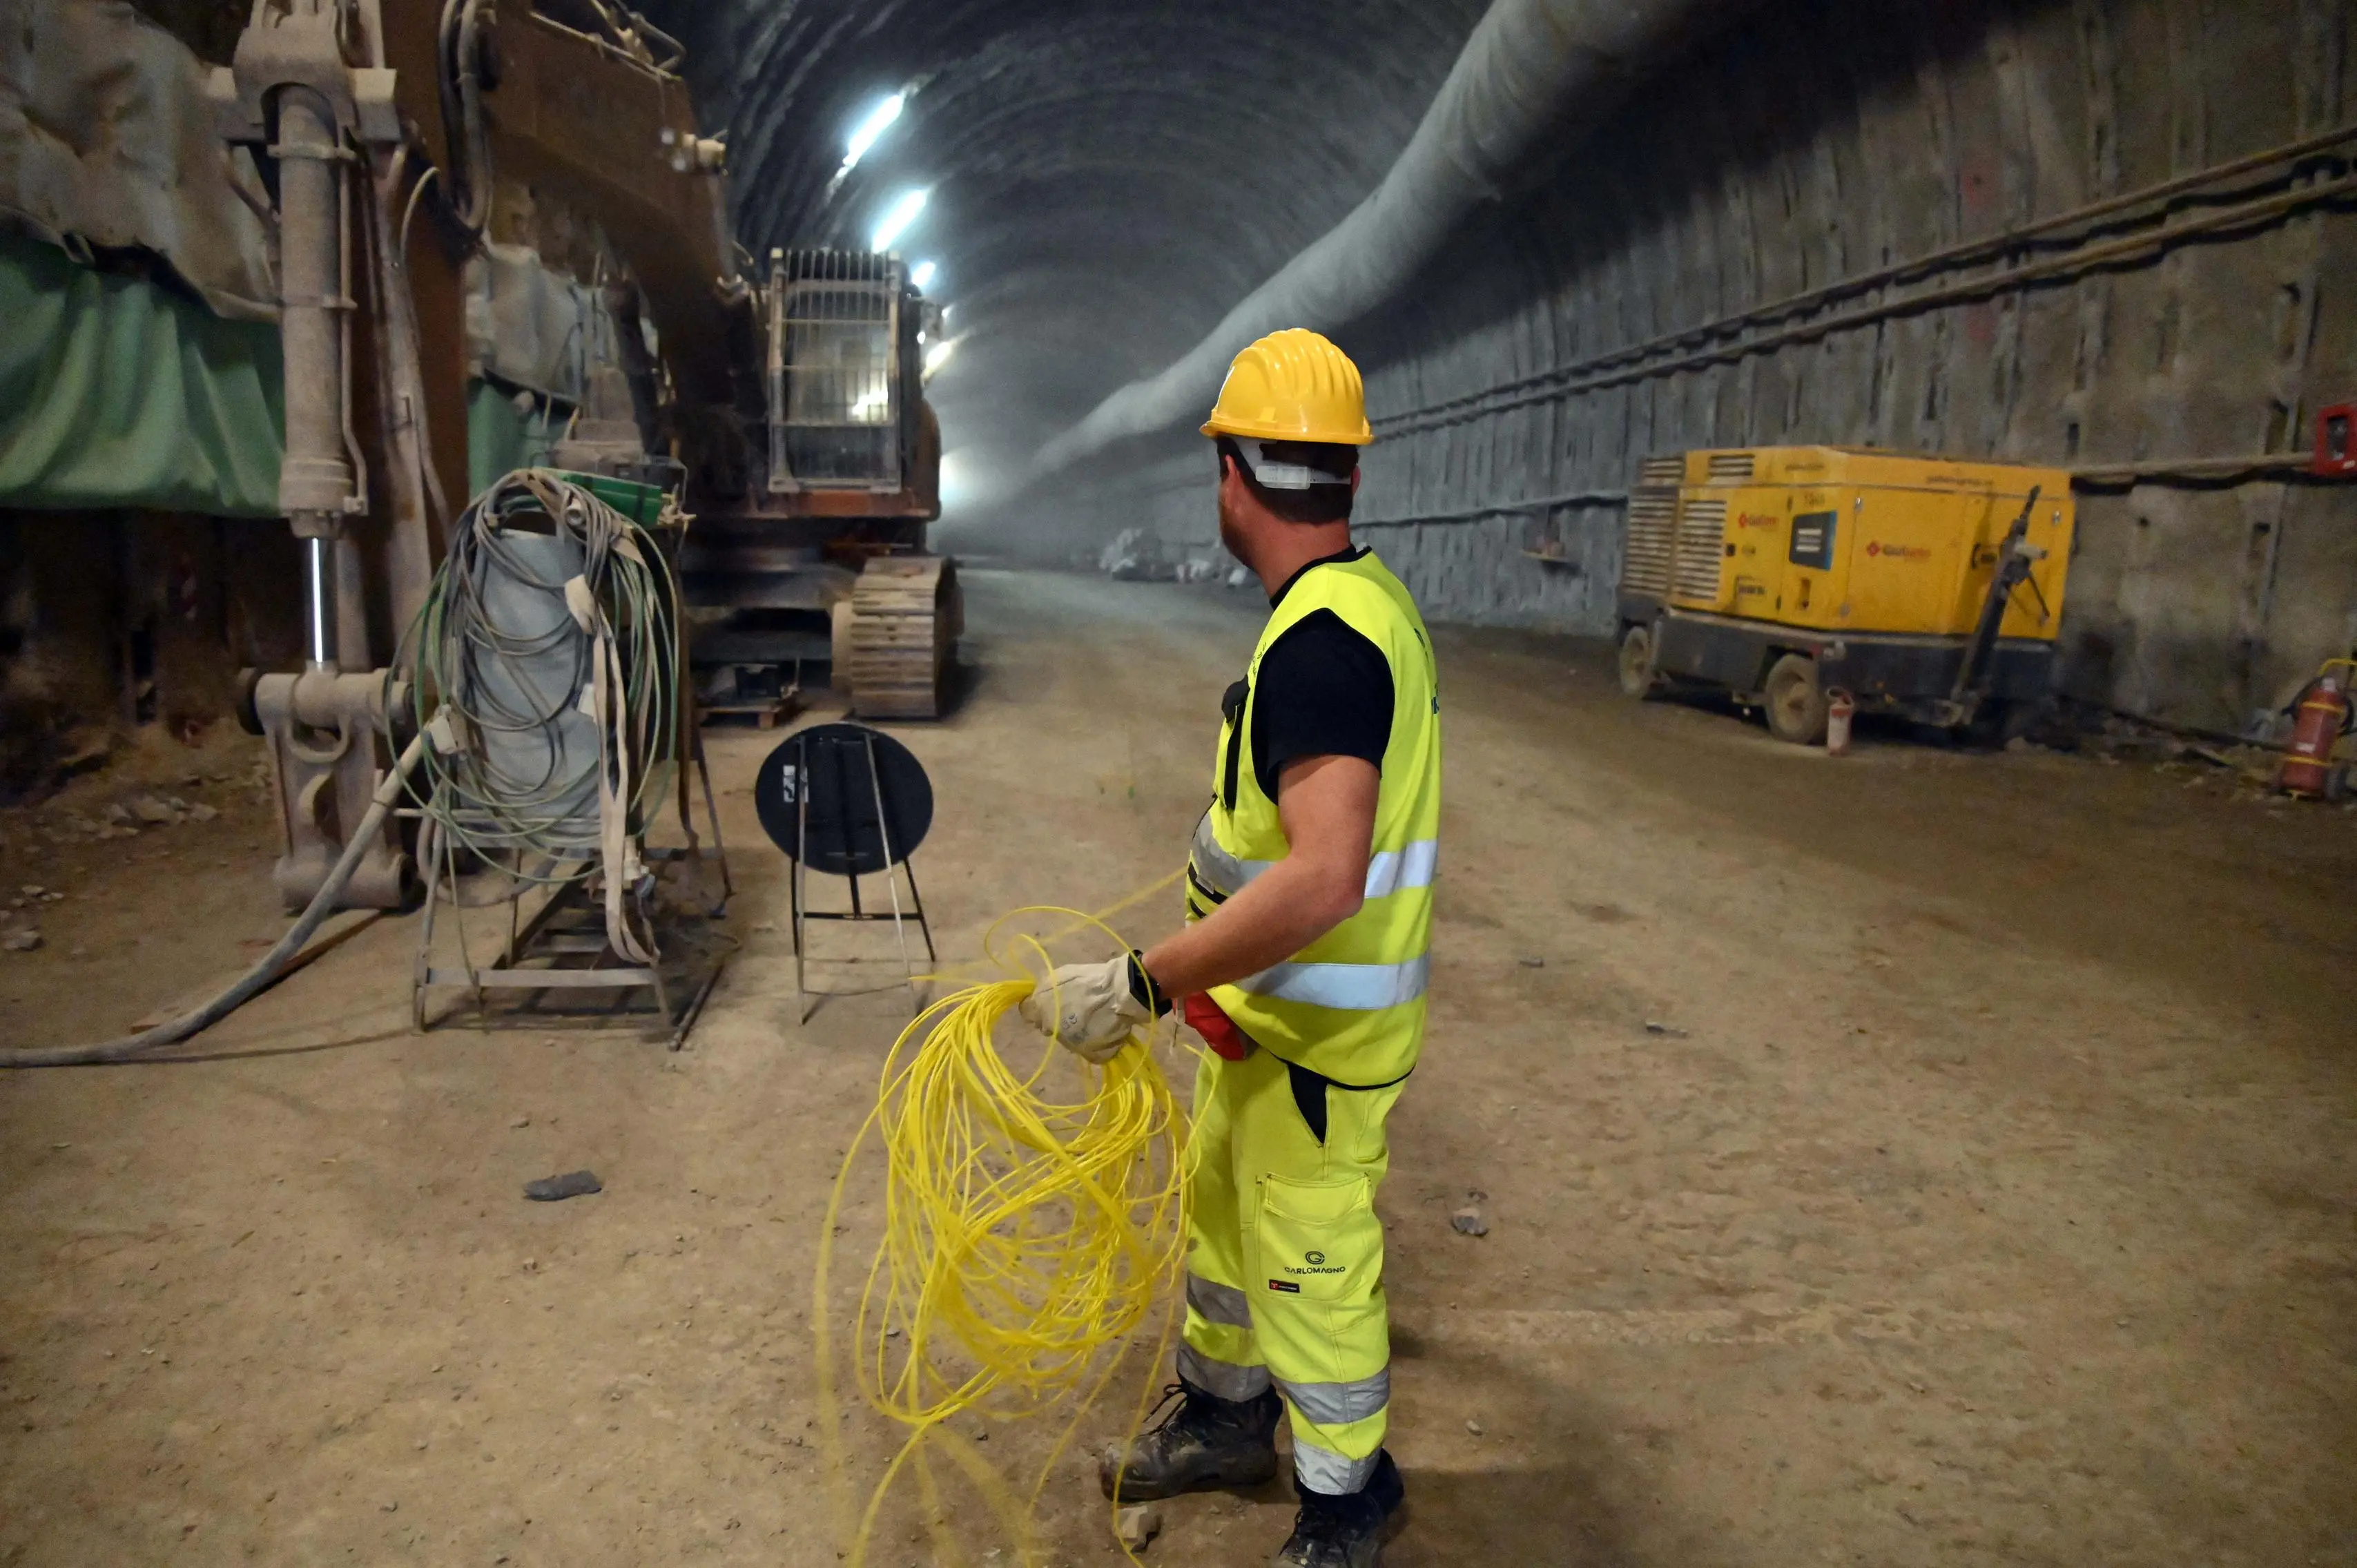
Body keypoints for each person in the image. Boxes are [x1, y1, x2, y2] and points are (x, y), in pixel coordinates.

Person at [1018, 327, 1441, 1568]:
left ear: (1233, 480)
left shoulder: (1319, 646)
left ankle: (1347, 1497)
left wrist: (1143, 981)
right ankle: (1224, 1417)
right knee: (1225, 1231)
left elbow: (1320, 875)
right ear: (1347, 478)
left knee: (1310, 1269)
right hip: (1266, 1026)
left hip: (1318, 1047)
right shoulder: (1352, 605)